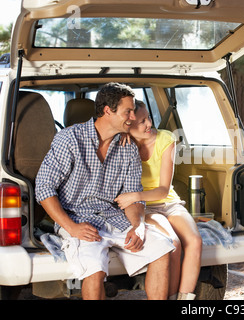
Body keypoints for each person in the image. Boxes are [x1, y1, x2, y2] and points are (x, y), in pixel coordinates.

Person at [35, 83, 175, 300]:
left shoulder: (128, 146)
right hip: (77, 219)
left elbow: (133, 195)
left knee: (162, 249)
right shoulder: (70, 139)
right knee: (94, 268)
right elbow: (44, 188)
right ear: (108, 111)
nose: (133, 117)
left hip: (114, 218)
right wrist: (71, 227)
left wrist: (137, 226)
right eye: (127, 111)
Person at [114, 100, 202, 300]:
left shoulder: (166, 138)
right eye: (141, 122)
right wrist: (136, 199)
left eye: (148, 118)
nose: (148, 125)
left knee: (195, 241)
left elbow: (163, 190)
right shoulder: (121, 143)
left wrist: (136, 195)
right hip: (143, 208)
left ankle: (185, 298)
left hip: (168, 201)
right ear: (127, 125)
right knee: (173, 243)